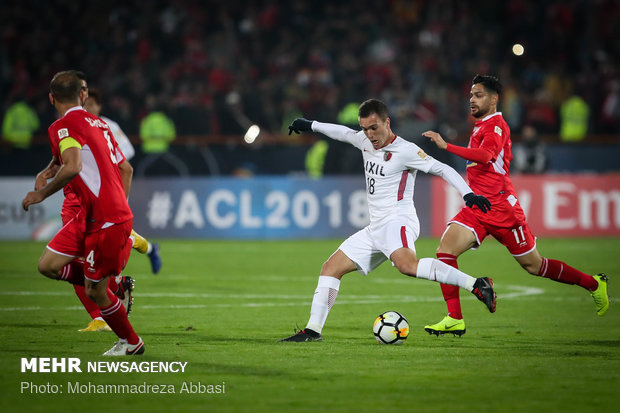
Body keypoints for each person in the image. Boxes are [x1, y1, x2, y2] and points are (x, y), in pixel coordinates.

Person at [280, 98, 496, 342]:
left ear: (387, 122)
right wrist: (310, 125)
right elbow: (341, 132)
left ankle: (476, 284)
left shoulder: (406, 150)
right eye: (364, 129)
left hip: (398, 221)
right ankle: (312, 331)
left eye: (374, 128)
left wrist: (468, 193)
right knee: (331, 268)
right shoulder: (364, 141)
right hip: (376, 228)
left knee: (407, 266)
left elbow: (442, 169)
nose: (369, 134)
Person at [422, 74, 609, 337]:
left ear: (494, 98)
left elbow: (486, 156)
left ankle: (593, 283)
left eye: (479, 95)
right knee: (445, 251)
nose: (472, 100)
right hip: (478, 207)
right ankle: (455, 318)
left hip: (502, 209)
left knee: (535, 266)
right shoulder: (480, 125)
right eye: (471, 96)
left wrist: (447, 146)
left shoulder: (496, 126)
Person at [22, 71, 144, 355]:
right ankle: (114, 283)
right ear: (84, 95)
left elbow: (73, 165)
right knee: (48, 265)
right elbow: (126, 168)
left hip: (104, 219)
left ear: (51, 98)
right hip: (91, 216)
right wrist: (47, 171)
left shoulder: (61, 127)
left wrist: (41, 193)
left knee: (94, 292)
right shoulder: (100, 125)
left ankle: (132, 342)